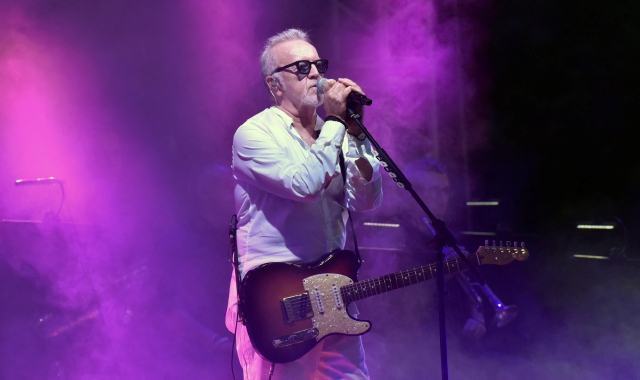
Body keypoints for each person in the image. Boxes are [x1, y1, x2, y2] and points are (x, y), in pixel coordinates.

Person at [225, 29, 383, 380]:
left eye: (318, 64)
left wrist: (356, 136)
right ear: (274, 84)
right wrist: (338, 125)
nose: (316, 74)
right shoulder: (253, 135)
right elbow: (304, 185)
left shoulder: (336, 132)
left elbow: (367, 201)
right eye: (301, 67)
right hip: (279, 303)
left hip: (334, 290)